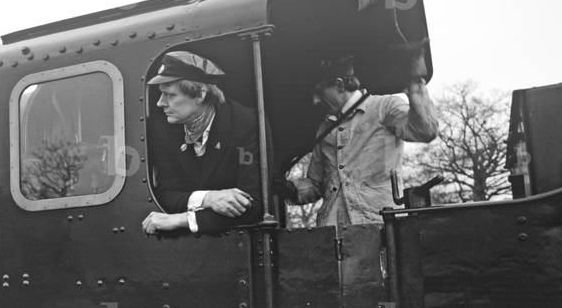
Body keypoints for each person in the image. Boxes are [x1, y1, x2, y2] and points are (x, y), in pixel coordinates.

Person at [274, 53, 438, 226]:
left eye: (319, 91)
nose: (315, 101)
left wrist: (416, 83)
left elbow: (425, 130)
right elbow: (316, 184)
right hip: (334, 233)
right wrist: (290, 189)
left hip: (381, 227)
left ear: (339, 85)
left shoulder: (385, 107)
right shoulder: (324, 128)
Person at [141, 51, 262, 235]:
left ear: (200, 94)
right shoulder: (162, 131)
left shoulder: (246, 123)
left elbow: (253, 206)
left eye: (170, 95)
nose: (160, 103)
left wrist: (183, 219)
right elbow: (166, 194)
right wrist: (208, 198)